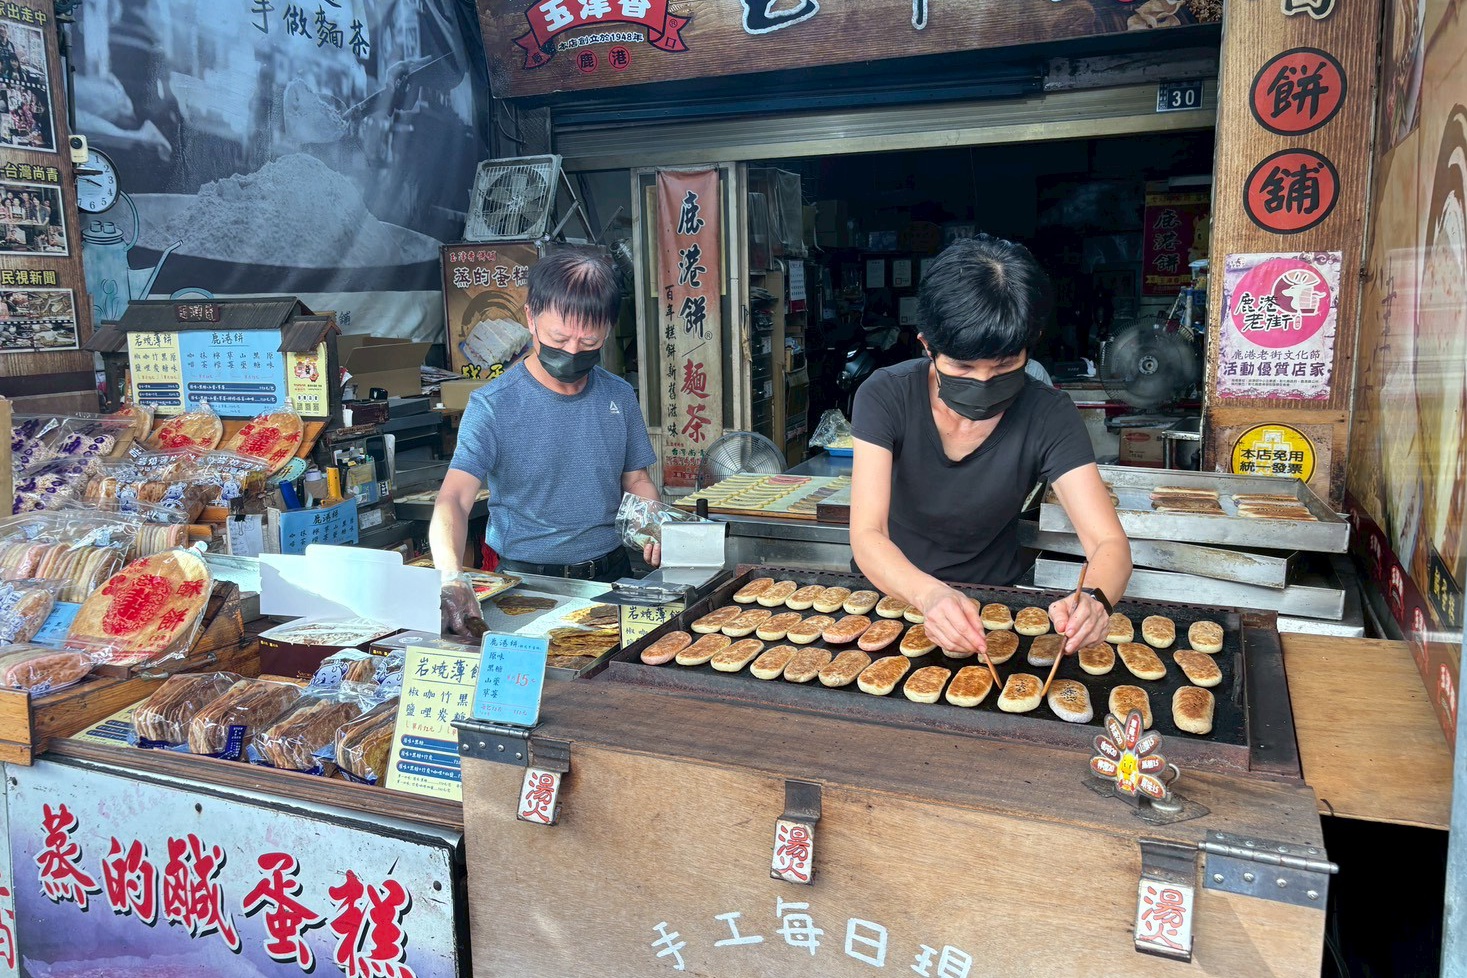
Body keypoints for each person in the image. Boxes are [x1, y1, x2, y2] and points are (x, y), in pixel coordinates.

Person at [849, 235, 1131, 657]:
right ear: (927, 345)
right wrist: (930, 595)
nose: (983, 381)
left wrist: (1095, 598)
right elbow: (867, 532)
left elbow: (1109, 543)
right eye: (962, 366)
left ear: (1030, 343)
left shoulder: (1048, 414)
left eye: (1004, 365)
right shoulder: (886, 395)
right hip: (893, 595)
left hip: (994, 605)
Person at [432, 246, 661, 635]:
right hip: (527, 585)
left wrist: (652, 523)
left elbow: (636, 479)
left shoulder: (619, 395)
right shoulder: (494, 405)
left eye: (588, 342)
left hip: (612, 576)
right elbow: (453, 498)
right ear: (530, 317)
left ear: (607, 329)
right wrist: (451, 577)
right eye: (559, 337)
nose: (571, 351)